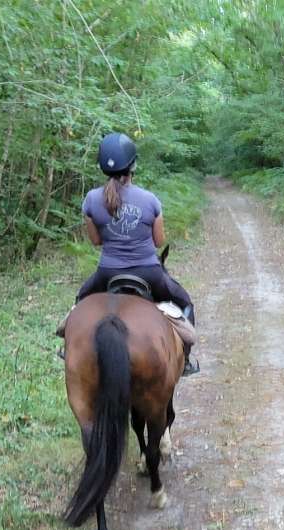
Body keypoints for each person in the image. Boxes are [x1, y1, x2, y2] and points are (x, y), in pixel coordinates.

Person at [56, 132, 199, 376]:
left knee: (81, 301)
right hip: (149, 272)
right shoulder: (150, 200)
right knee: (184, 301)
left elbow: (95, 241)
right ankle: (184, 359)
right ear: (133, 165)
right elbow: (159, 240)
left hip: (107, 273)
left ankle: (67, 346)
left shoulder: (91, 200)